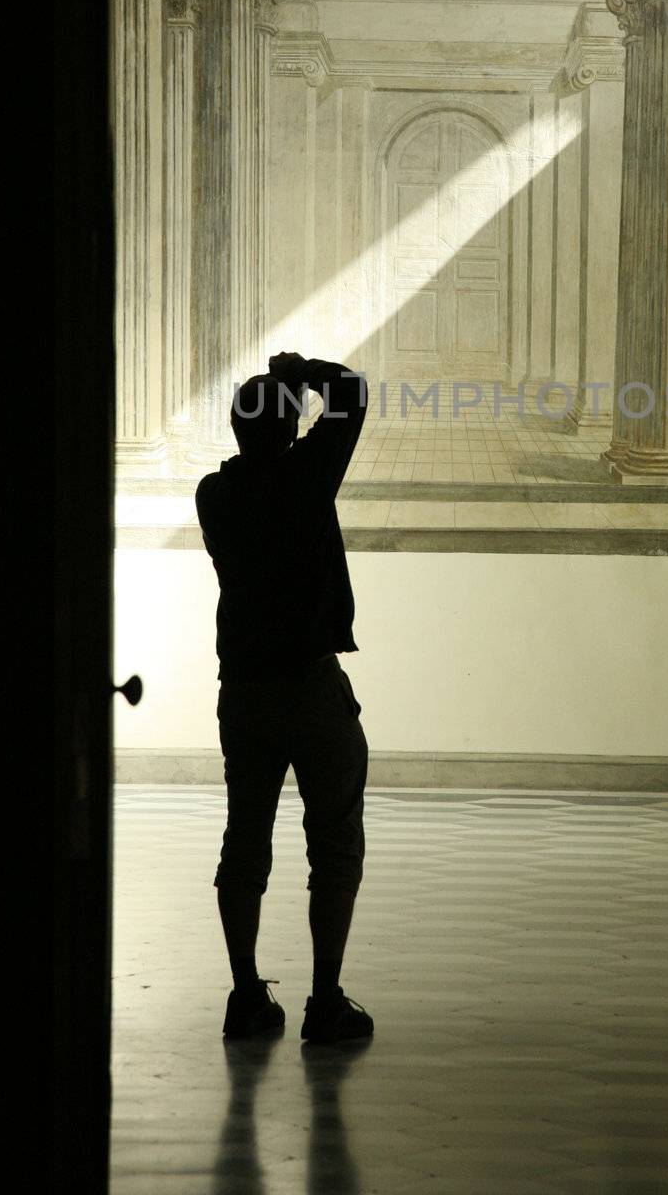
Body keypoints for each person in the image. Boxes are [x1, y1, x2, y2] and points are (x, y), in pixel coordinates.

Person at [194, 350, 373, 1044]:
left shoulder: (215, 494)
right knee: (333, 843)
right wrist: (301, 370)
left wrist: (281, 400)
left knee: (245, 841)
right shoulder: (306, 477)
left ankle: (245, 993)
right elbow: (351, 395)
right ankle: (323, 997)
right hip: (310, 683)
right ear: (293, 426)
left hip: (244, 687)